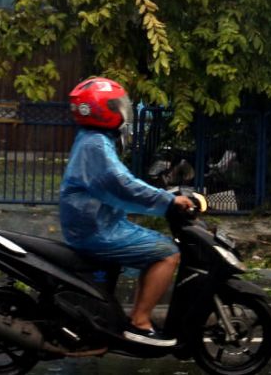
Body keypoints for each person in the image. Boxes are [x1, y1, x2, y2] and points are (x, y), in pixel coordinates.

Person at [60, 77, 194, 347]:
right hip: (97, 231)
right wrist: (168, 200)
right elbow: (123, 186)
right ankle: (139, 323)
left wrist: (163, 196)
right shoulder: (96, 145)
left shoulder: (94, 140)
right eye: (118, 105)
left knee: (153, 246)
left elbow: (122, 182)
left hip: (97, 225)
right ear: (102, 110)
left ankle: (127, 316)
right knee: (167, 253)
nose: (124, 112)